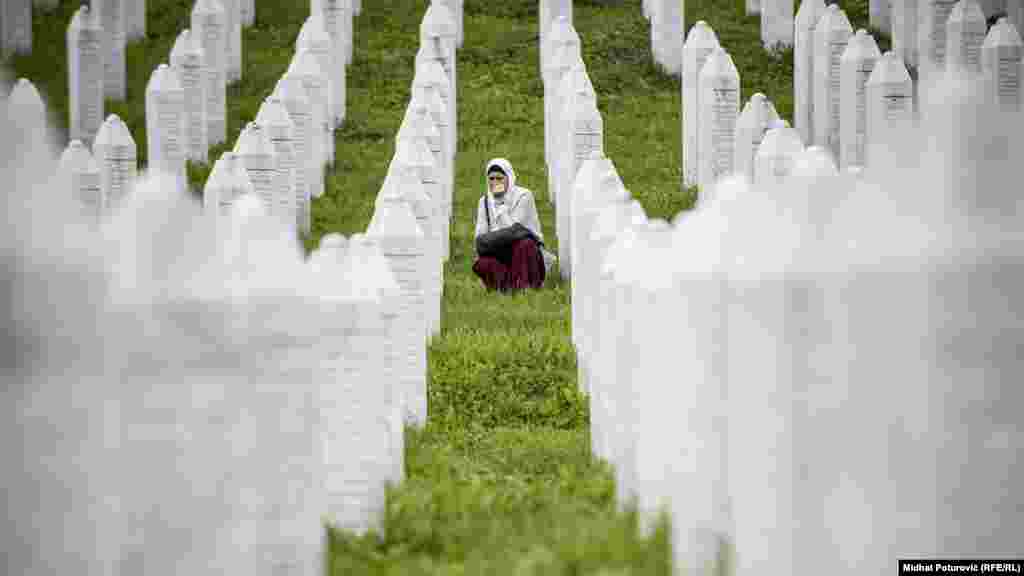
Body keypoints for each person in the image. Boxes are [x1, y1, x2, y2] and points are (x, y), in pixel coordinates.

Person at [472, 158, 550, 292]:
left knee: (523, 245)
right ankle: (506, 288)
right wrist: (493, 240)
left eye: (499, 178)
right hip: (500, 251)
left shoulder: (524, 196)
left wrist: (501, 207)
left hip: (525, 251)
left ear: (508, 178)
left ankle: (523, 287)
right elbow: (479, 240)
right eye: (491, 179)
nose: (495, 183)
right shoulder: (484, 202)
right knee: (482, 263)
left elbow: (515, 231)